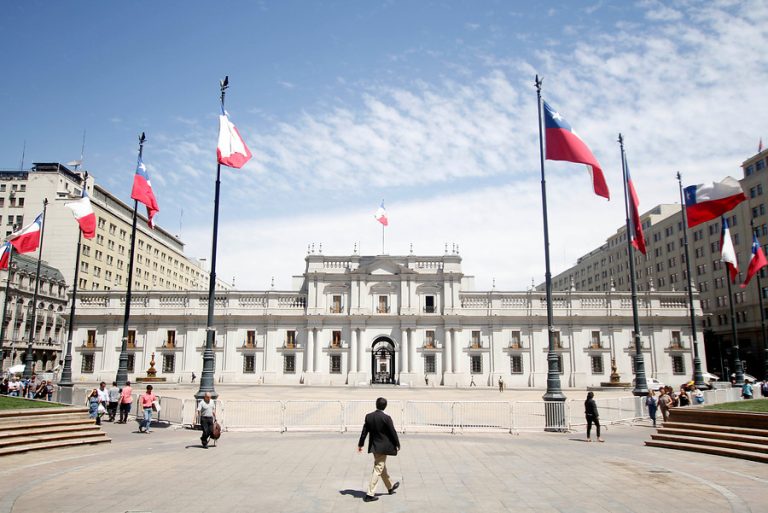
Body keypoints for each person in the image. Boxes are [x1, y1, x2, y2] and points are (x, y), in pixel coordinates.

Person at [357, 397, 400, 503]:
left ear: (376, 404)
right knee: (378, 469)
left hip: (374, 447)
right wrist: (397, 444)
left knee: (381, 466)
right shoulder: (386, 418)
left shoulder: (369, 416)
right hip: (383, 447)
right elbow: (393, 432)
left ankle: (390, 487)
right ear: (385, 406)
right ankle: (369, 494)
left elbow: (364, 432)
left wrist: (361, 444)